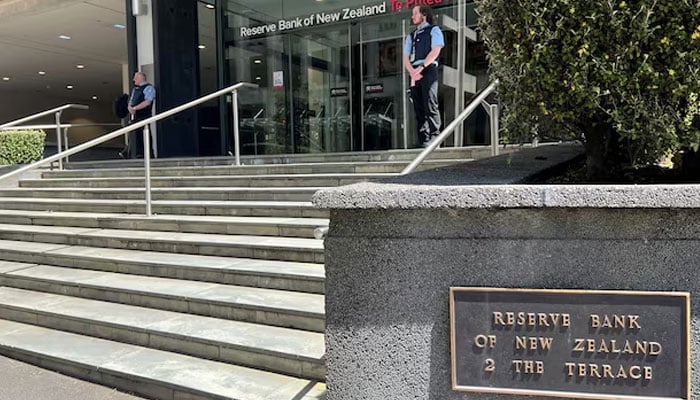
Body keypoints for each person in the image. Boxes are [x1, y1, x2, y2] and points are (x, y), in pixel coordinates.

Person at [403, 5, 444, 147]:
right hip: (414, 72)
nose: (412, 16)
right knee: (418, 105)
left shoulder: (434, 30)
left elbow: (435, 51)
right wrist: (412, 72)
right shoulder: (411, 36)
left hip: (428, 69)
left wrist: (421, 67)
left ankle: (435, 136)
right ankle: (423, 138)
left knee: (430, 102)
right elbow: (405, 58)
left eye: (415, 13)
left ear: (424, 15)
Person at [120, 71, 155, 158]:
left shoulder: (149, 88)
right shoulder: (135, 89)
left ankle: (147, 154)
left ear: (141, 78)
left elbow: (147, 102)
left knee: (143, 135)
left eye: (135, 78)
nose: (133, 80)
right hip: (134, 116)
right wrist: (129, 107)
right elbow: (131, 101)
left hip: (143, 116)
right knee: (133, 134)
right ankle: (131, 152)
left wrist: (135, 108)